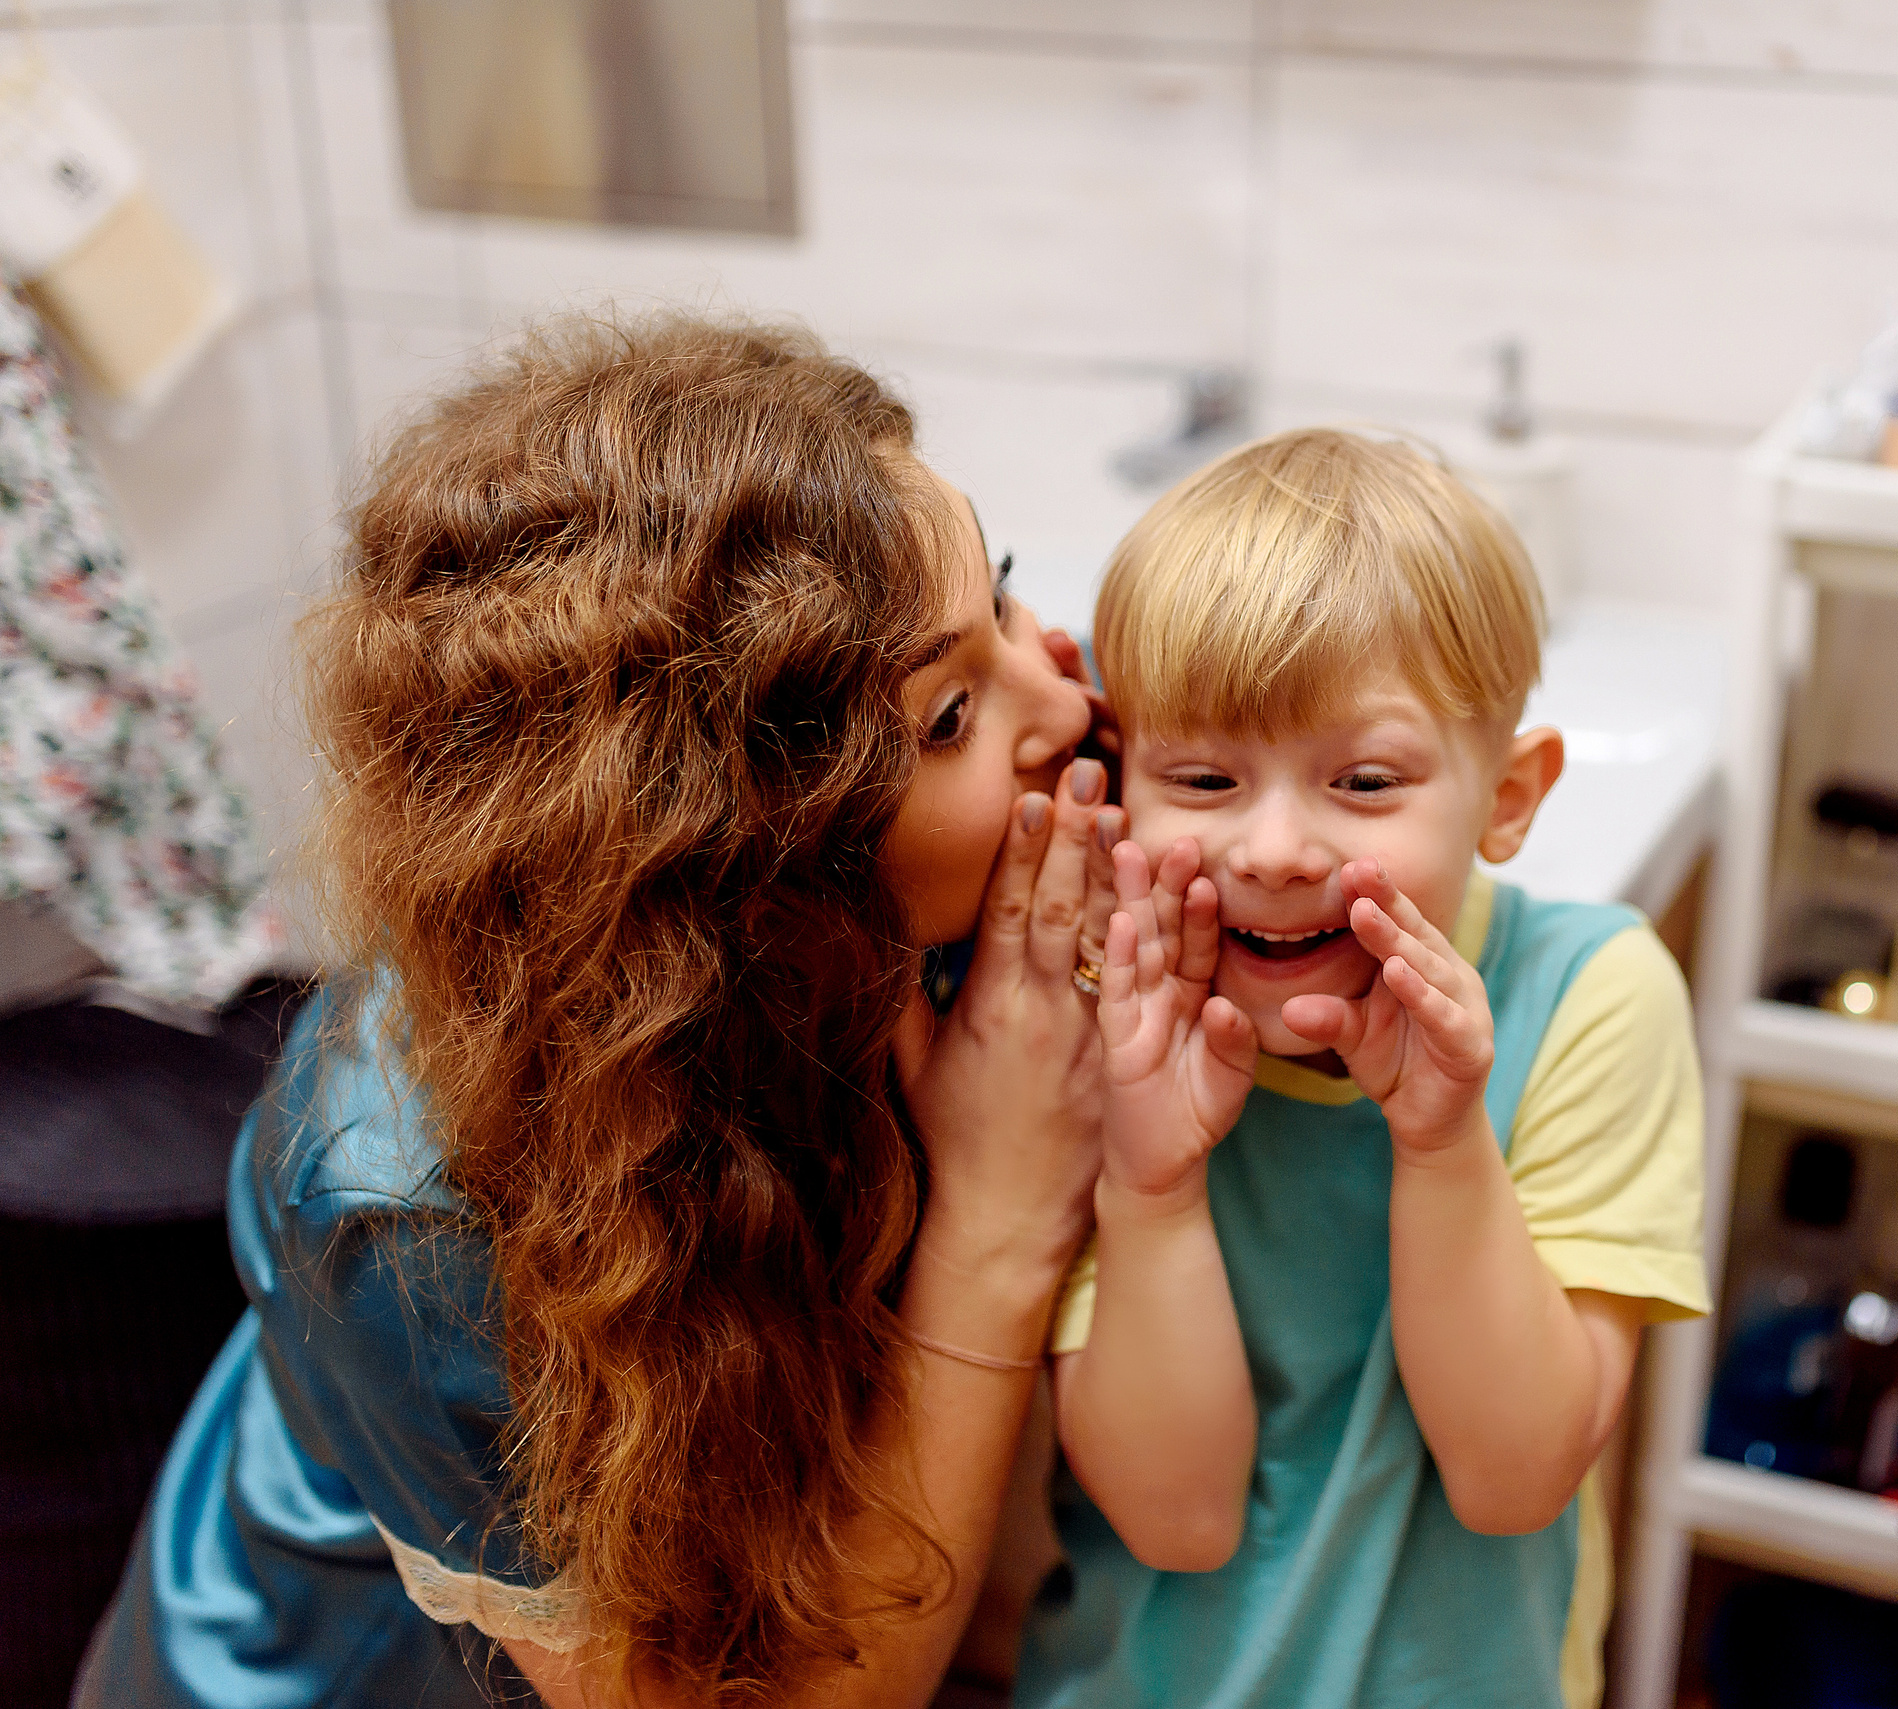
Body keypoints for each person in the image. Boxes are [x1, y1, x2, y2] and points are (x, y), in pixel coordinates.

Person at [77, 316, 1124, 1709]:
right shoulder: (408, 1202)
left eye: (998, 596)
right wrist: (998, 1218)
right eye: (947, 715)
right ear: (738, 861)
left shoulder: (905, 904)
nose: (1058, 689)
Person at [1014, 428, 1710, 1709]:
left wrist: (1443, 1143)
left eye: (1365, 779)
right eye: (1205, 775)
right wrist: (1151, 1183)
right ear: (1125, 784)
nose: (1275, 846)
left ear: (1508, 794)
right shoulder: (1105, 1006)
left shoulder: (1586, 997)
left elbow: (1509, 1479)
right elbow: (1178, 1520)